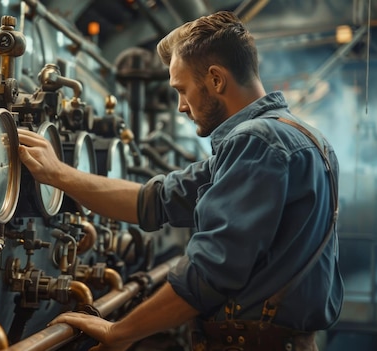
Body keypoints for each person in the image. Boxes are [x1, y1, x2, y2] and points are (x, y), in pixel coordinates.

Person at [17, 11, 343, 351]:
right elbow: (153, 200)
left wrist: (120, 333)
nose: (180, 106)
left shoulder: (257, 142)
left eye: (182, 90)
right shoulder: (298, 136)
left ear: (216, 80)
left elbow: (209, 273)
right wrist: (58, 174)